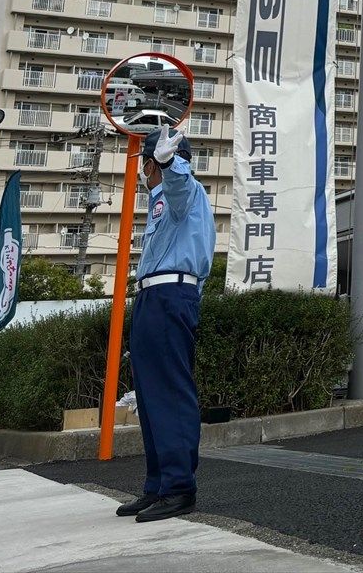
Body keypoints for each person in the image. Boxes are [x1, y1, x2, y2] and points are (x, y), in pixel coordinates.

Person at [117, 124, 214, 522]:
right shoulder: (160, 200)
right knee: (151, 395)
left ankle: (179, 487)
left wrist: (169, 162)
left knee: (170, 392)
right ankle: (157, 486)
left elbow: (178, 187)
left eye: (145, 162)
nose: (142, 169)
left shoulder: (185, 191)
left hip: (171, 295)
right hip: (152, 297)